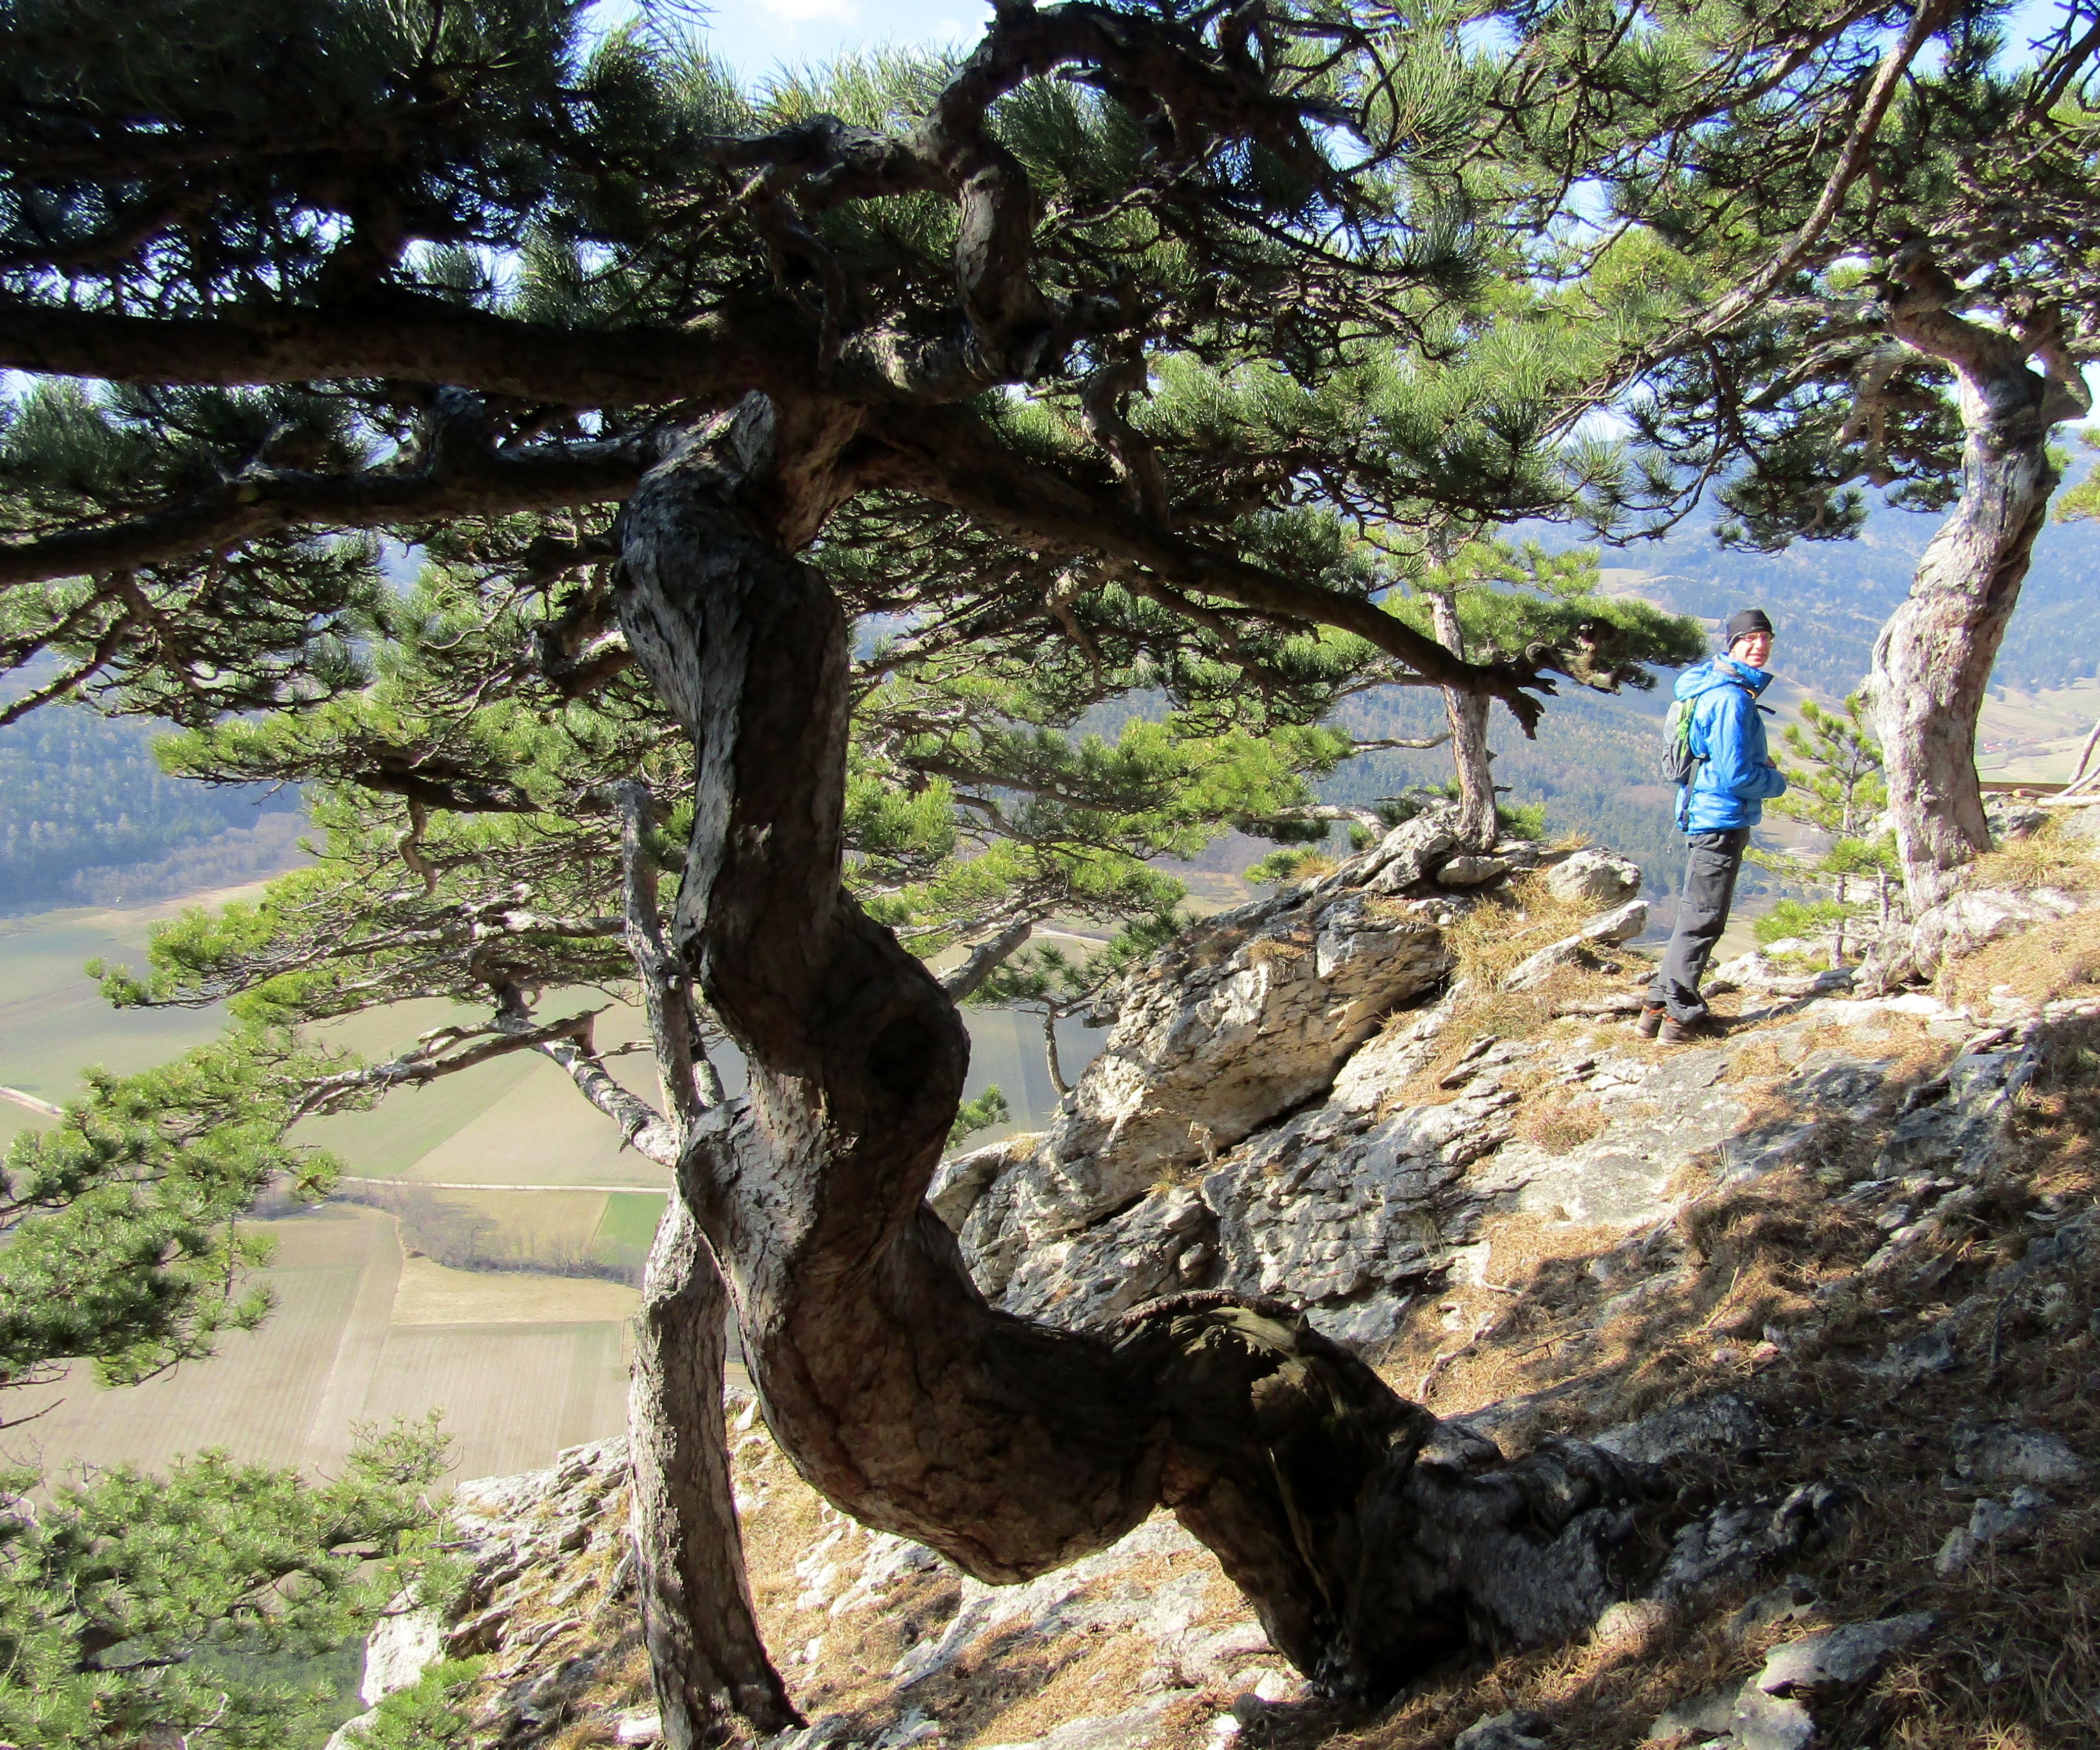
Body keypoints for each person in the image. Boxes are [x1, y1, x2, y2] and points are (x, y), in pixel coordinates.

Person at [1638, 609, 1788, 1043]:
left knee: (1694, 914)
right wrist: (1776, 780)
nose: (1759, 646)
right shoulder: (1731, 699)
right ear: (1732, 645)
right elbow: (1737, 775)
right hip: (1720, 817)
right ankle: (1682, 1018)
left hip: (1701, 811)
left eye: (1766, 639)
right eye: (1751, 639)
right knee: (1704, 919)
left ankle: (1654, 1009)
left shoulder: (1712, 686)